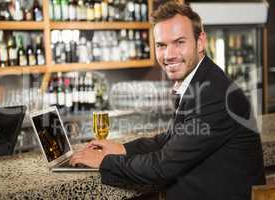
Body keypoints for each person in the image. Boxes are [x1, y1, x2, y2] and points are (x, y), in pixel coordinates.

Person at [70, 1, 266, 199]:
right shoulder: (200, 80)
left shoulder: (214, 94)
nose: (169, 55)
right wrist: (122, 148)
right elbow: (168, 139)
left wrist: (104, 162)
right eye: (161, 45)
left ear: (200, 42)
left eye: (179, 42)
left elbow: (162, 167)